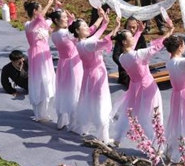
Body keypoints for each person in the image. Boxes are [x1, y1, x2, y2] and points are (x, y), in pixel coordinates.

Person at [111, 19, 175, 145]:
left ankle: (118, 138)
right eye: (131, 36)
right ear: (124, 42)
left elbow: (131, 49)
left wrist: (139, 32)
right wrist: (169, 33)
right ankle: (156, 144)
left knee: (129, 113)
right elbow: (157, 46)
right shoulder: (138, 54)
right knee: (152, 114)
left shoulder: (122, 57)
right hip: (147, 87)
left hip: (134, 87)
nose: (133, 37)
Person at [70, 8, 119, 142]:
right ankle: (104, 136)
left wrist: (105, 24)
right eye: (84, 26)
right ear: (77, 30)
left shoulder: (79, 43)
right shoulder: (88, 43)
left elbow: (96, 37)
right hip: (97, 74)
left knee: (90, 100)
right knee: (101, 102)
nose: (88, 27)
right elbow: (104, 41)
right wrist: (115, 28)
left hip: (88, 75)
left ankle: (84, 127)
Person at [50, 9, 83, 131]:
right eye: (64, 17)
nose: (66, 19)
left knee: (64, 91)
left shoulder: (53, 33)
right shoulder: (65, 33)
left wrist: (71, 22)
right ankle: (73, 122)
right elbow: (80, 35)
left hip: (62, 63)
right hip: (73, 63)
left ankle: (61, 120)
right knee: (74, 90)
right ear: (56, 20)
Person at [24, 0, 56, 122]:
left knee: (47, 80)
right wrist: (49, 3)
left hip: (45, 53)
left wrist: (57, 7)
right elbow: (39, 19)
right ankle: (39, 112)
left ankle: (45, 110)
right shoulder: (28, 25)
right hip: (37, 54)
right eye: (40, 9)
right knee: (39, 80)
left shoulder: (43, 24)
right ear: (35, 11)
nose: (43, 11)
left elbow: (52, 20)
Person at [112, 16, 148, 86]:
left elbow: (145, 54)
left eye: (133, 27)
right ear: (126, 26)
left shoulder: (140, 38)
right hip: (125, 71)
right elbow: (115, 56)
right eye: (129, 27)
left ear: (137, 27)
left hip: (138, 69)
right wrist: (125, 65)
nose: (131, 29)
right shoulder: (122, 38)